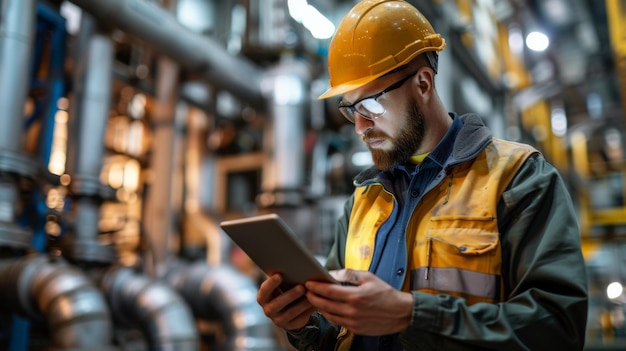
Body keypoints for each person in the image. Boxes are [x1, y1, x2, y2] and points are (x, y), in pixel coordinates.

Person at [256, 0, 589, 350]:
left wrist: (412, 316)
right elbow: (336, 332)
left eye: (370, 104)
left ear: (424, 84)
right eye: (350, 108)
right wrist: (304, 322)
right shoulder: (362, 201)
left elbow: (557, 329)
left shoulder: (518, 179)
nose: (359, 126)